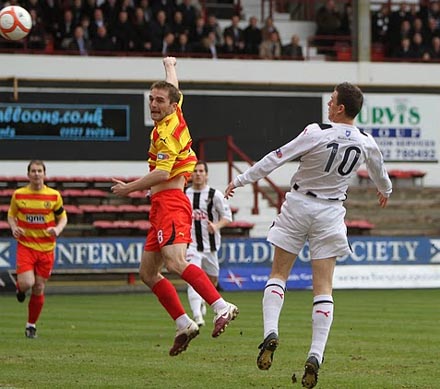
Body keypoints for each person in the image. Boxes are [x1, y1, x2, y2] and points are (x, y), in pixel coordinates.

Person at [225, 82, 392, 388]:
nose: (328, 105)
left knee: (278, 273)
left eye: (332, 101)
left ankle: (270, 333)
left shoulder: (316, 131)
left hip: (299, 205)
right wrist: (385, 191)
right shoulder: (366, 141)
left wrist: (241, 179)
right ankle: (315, 354)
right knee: (323, 287)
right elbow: (381, 174)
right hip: (330, 213)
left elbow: (276, 157)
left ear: (341, 108)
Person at [111, 56, 239, 357]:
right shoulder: (173, 116)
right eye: (150, 99)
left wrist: (129, 188)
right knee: (147, 272)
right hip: (158, 206)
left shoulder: (167, 134)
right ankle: (184, 323)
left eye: (159, 100)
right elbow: (174, 89)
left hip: (171, 203)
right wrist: (170, 67)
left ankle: (222, 306)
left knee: (176, 262)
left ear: (171, 105)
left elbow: (163, 173)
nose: (153, 104)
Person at [7, 160, 68, 339]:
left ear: (44, 174)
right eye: (33, 171)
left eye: (39, 171)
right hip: (26, 246)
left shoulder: (54, 196)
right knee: (27, 283)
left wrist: (57, 229)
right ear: (28, 175)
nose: (36, 174)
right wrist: (13, 227)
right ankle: (20, 288)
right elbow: (11, 216)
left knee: (39, 287)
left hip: (47, 248)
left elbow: (63, 218)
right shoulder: (19, 195)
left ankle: (31, 325)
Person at [185, 161, 233, 327]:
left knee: (211, 281)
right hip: (191, 246)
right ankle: (197, 317)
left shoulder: (215, 195)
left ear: (206, 174)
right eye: (195, 171)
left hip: (211, 247)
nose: (197, 174)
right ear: (190, 174)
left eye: (201, 171)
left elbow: (227, 217)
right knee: (192, 278)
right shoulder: (184, 194)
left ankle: (205, 300)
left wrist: (217, 226)